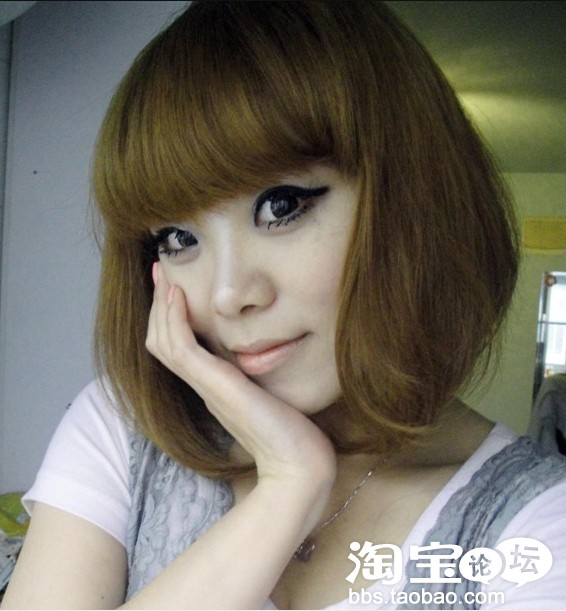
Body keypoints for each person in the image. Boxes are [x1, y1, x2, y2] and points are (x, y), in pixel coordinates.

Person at [3, 1, 566, 609]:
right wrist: (289, 485)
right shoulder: (122, 430)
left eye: (281, 206)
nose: (227, 295)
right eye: (179, 239)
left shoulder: (537, 528)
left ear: (412, 199)